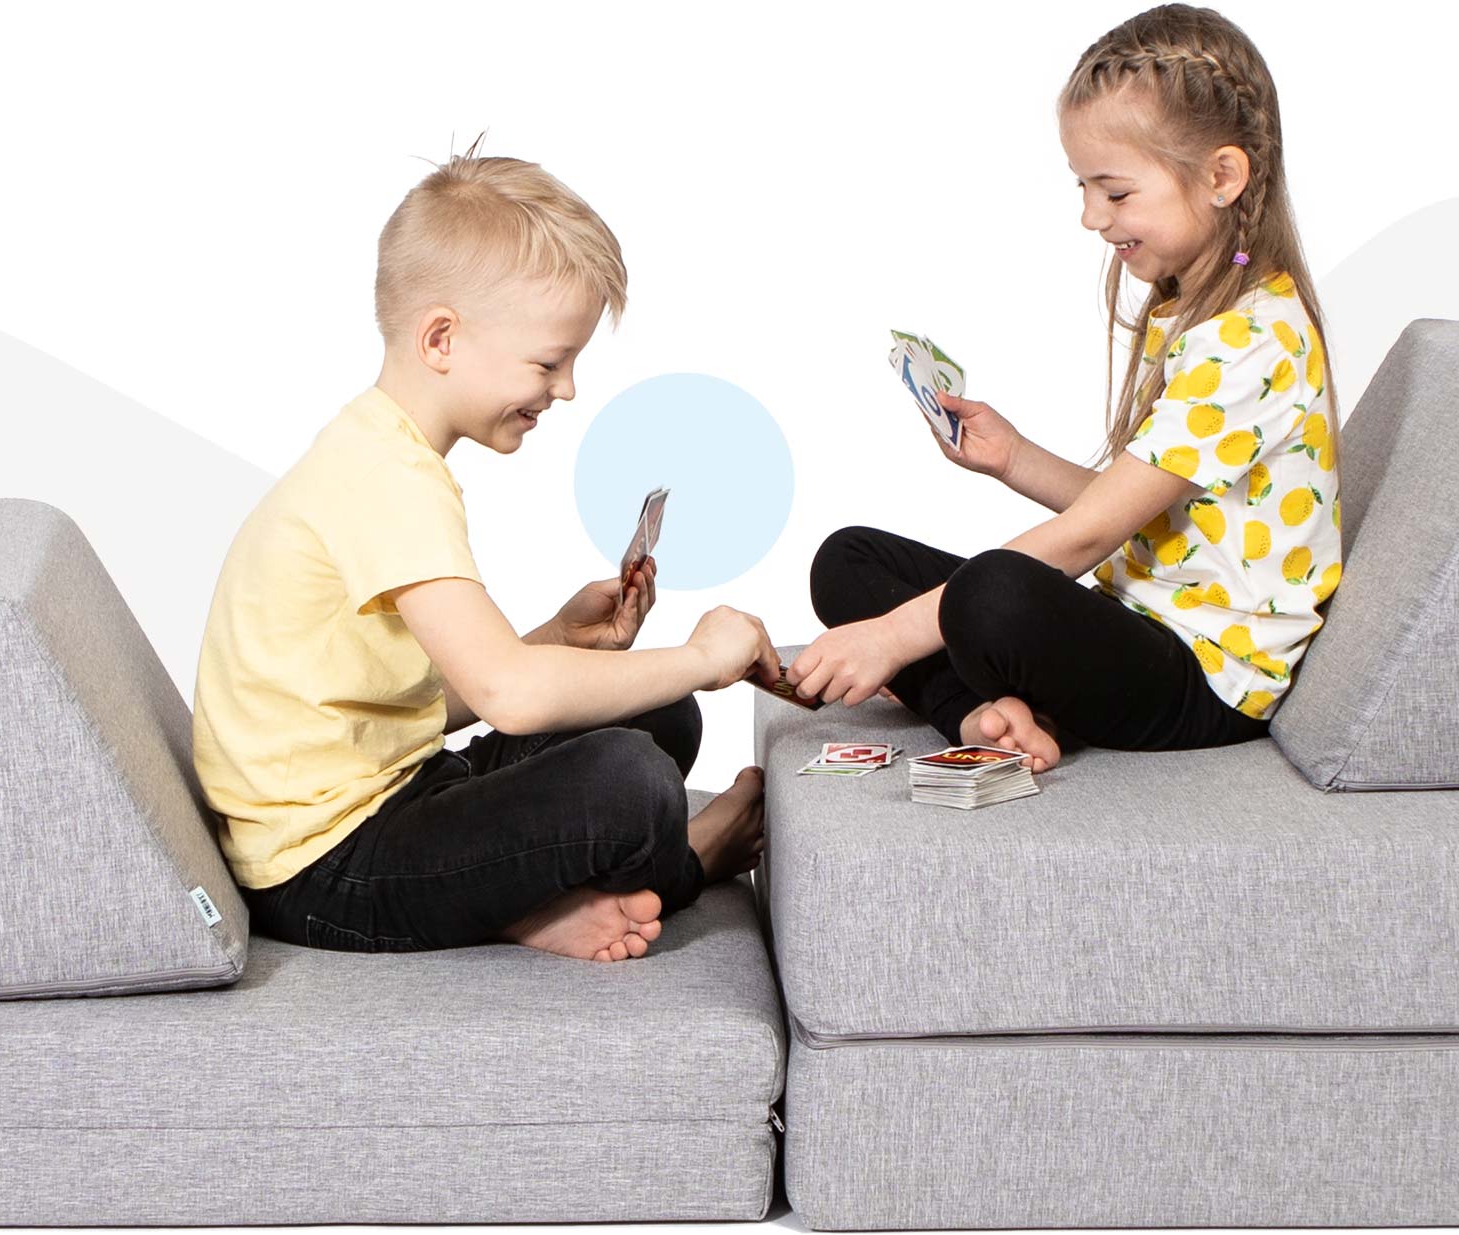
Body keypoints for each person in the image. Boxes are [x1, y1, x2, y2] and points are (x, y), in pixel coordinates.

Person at [192, 149, 776, 963]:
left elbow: (434, 696)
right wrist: (705, 656)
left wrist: (557, 641)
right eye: (548, 362)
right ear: (442, 338)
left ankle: (524, 908)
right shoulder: (387, 479)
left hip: (397, 791)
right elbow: (509, 696)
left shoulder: (379, 452)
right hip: (322, 868)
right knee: (632, 784)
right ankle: (688, 862)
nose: (566, 389)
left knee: (657, 716)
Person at [794, 4, 1344, 772]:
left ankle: (967, 700)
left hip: (1209, 679)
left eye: (1114, 192)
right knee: (847, 560)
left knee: (992, 595)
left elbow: (1088, 536)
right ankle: (989, 715)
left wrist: (892, 636)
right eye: (1083, 187)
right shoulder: (1201, 307)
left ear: (1222, 176)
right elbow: (1148, 516)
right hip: (1139, 617)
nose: (1091, 215)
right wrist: (1013, 457)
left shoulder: (1251, 338)